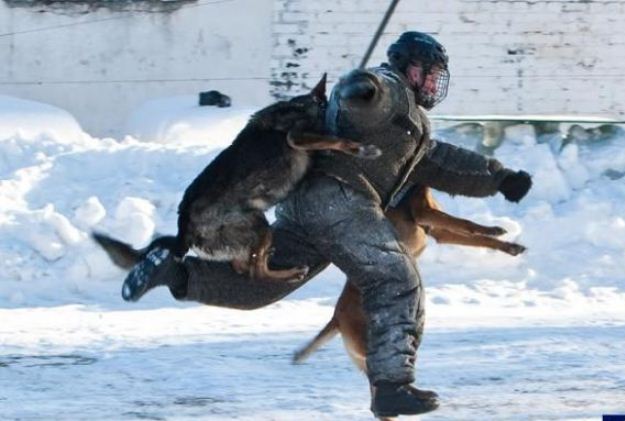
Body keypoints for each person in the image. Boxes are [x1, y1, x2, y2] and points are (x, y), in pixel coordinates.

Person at [121, 31, 532, 417]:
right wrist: (363, 89)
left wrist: (499, 178)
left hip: (304, 207)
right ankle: (391, 385)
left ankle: (174, 272)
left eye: (437, 77)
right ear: (410, 69)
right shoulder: (392, 91)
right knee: (396, 279)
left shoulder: (411, 130)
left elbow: (442, 161)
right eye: (430, 74)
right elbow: (372, 94)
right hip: (342, 199)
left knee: (259, 287)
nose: (433, 84)